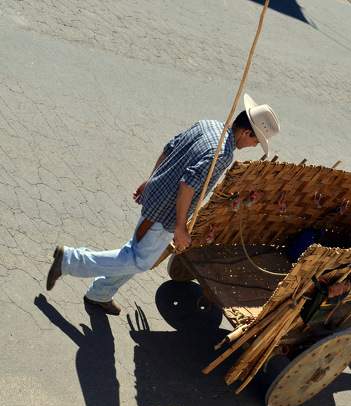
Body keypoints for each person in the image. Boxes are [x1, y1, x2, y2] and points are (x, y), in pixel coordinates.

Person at [46, 94, 280, 315]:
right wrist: (180, 227)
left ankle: (100, 293)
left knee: (136, 251)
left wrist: (151, 180)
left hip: (157, 195)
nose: (254, 146)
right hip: (166, 212)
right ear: (246, 132)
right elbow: (188, 185)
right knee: (139, 260)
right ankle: (70, 260)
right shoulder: (223, 154)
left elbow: (169, 148)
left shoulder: (208, 125)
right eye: (256, 140)